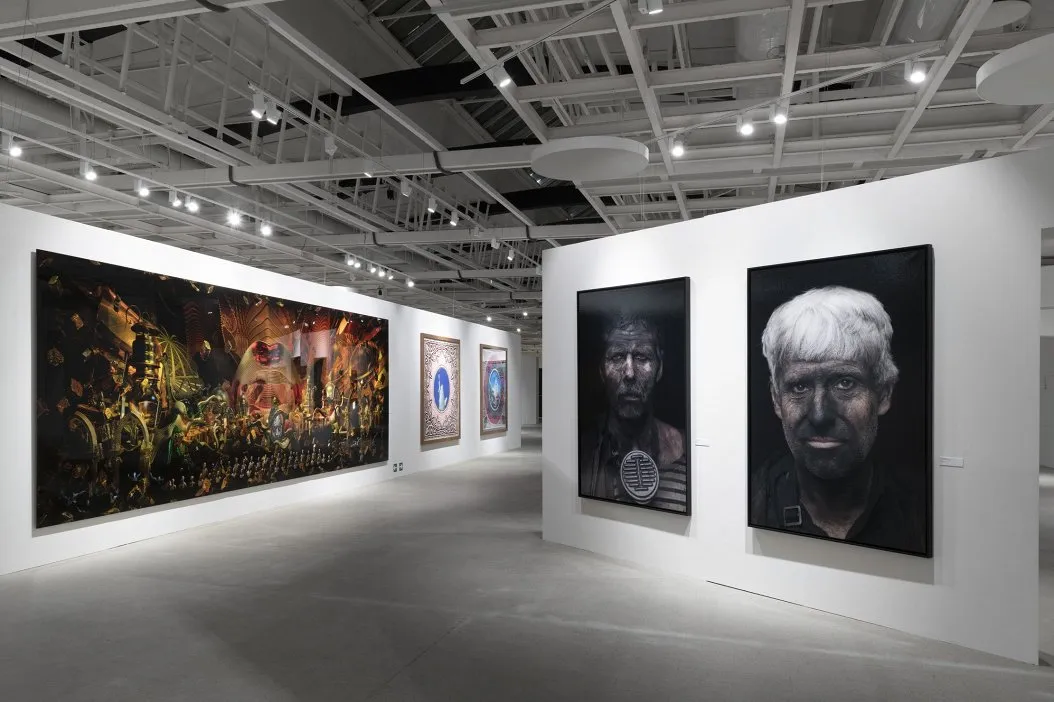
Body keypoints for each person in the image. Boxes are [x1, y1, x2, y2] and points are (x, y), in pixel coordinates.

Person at [750, 286, 923, 553]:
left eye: (845, 382)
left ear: (883, 393)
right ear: (776, 399)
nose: (819, 414)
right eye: (799, 386)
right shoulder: (753, 499)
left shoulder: (919, 510)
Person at [579, 314, 687, 512]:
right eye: (617, 357)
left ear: (659, 368)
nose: (629, 373)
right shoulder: (584, 452)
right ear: (602, 370)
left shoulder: (686, 449)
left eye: (641, 357)